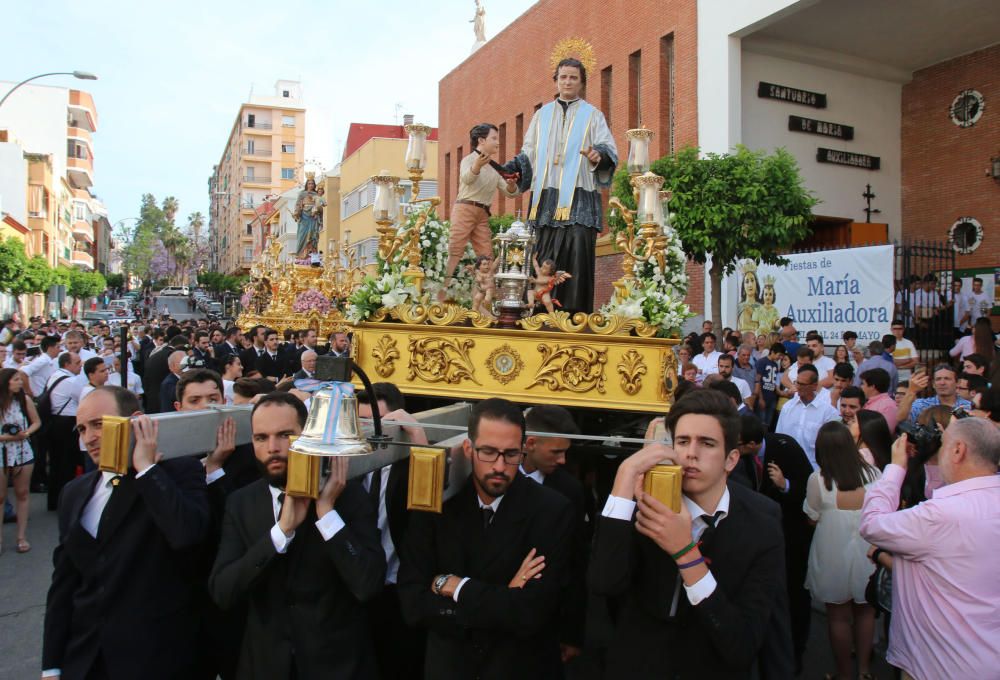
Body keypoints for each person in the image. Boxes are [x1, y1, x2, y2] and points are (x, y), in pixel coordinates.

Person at [589, 390, 789, 678]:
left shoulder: (762, 521)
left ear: (731, 459)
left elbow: (745, 642)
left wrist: (685, 552)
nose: (691, 453)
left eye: (707, 443)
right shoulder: (646, 503)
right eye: (682, 441)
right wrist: (624, 477)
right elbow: (604, 583)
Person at [209, 392, 385, 679]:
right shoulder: (242, 503)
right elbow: (223, 590)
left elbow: (368, 583)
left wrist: (326, 514)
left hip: (337, 667)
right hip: (265, 666)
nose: (273, 448)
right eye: (261, 438)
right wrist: (280, 533)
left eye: (285, 435)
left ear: (307, 436)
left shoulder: (348, 496)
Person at [398, 397, 574, 679]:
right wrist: (504, 599)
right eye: (489, 452)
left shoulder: (553, 511)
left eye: (511, 454)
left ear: (523, 451)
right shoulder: (434, 508)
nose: (500, 466)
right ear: (468, 449)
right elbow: (413, 604)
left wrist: (454, 586)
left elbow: (532, 613)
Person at [43, 386, 210, 678]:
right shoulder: (74, 492)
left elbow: (187, 535)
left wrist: (146, 469)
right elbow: (64, 583)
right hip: (85, 659)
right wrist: (51, 666)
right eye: (82, 429)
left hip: (155, 658)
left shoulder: (179, 472)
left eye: (99, 424)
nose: (89, 437)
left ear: (136, 421)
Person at [860, 418, 1000, 680]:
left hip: (939, 665)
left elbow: (871, 524)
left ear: (958, 450)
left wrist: (895, 468)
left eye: (944, 445)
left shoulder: (939, 516)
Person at [503, 57, 618, 313]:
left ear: (582, 83)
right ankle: (541, 316)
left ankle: (575, 316)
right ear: (556, 80)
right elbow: (528, 152)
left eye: (573, 77)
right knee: (543, 255)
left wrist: (599, 155)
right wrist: (512, 168)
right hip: (546, 198)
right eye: (563, 77)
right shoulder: (541, 116)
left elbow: (608, 148)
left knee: (578, 250)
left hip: (580, 196)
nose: (567, 82)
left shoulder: (593, 115)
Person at [736, 414, 815, 674]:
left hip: (791, 536)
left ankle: (795, 656)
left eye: (738, 445)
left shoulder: (786, 448)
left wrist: (785, 485)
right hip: (758, 540)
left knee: (792, 597)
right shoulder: (741, 460)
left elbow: (809, 488)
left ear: (751, 444)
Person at [804, 421, 880, 680]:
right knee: (865, 611)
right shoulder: (873, 474)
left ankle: (844, 674)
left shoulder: (819, 479)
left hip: (831, 550)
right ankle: (864, 671)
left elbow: (811, 517)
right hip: (866, 548)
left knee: (837, 616)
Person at [521, 404, 588, 667]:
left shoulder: (570, 490)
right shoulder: (496, 479)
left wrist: (572, 633)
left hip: (547, 618)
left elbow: (576, 562)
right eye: (556, 452)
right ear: (531, 443)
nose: (562, 460)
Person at [440, 124, 519, 298]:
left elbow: (508, 192)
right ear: (481, 140)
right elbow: (467, 179)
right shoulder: (468, 160)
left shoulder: (494, 168)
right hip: (465, 209)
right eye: (494, 138)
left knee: (487, 256)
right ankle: (441, 294)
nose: (498, 142)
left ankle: (484, 301)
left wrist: (512, 185)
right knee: (455, 250)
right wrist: (476, 166)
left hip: (483, 214)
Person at [0, 369, 40, 554]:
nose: (20, 382)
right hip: (2, 450)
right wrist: (7, 438)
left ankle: (21, 537)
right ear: (6, 382)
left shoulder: (25, 400)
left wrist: (26, 434)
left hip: (23, 450)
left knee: (22, 493)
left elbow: (36, 422)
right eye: (16, 380)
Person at [776, 364, 840, 469]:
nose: (798, 387)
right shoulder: (787, 407)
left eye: (803, 384)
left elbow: (832, 448)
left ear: (814, 386)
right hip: (787, 466)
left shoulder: (828, 412)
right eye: (797, 383)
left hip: (814, 469)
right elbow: (779, 436)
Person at [44, 352, 85, 511]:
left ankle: (54, 500)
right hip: (67, 424)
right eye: (77, 362)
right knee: (67, 464)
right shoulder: (72, 381)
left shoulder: (55, 376)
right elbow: (82, 397)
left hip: (55, 422)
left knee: (56, 463)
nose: (80, 365)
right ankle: (66, 501)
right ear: (67, 364)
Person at [898, 363, 971, 424]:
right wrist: (911, 391)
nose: (942, 383)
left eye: (947, 379)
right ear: (933, 384)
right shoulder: (921, 405)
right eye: (938, 379)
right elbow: (900, 419)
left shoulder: (969, 406)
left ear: (957, 383)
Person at [859, 367, 898, 433]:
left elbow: (884, 433)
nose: (861, 387)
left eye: (863, 384)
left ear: (872, 387)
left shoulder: (888, 406)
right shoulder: (871, 402)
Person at [737, 264, 762, 333]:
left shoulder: (761, 307)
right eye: (747, 281)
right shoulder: (740, 307)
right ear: (743, 286)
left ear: (756, 284)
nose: (750, 285)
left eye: (752, 280)